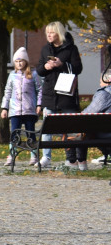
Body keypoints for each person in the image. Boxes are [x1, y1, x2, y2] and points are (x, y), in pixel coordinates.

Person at [36, 21, 85, 169]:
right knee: (47, 127)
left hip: (66, 95)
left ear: (59, 33)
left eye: (52, 32)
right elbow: (39, 69)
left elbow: (78, 68)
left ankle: (72, 159)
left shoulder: (71, 49)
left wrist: (61, 65)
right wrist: (45, 66)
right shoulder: (45, 49)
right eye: (47, 33)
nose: (49, 35)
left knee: (70, 128)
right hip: (49, 94)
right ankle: (46, 157)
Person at [0, 47, 42, 167]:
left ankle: (34, 155)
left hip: (29, 110)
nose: (19, 63)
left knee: (30, 133)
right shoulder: (12, 75)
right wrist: (5, 108)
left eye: (21, 61)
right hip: (15, 110)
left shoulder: (33, 74)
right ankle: (12, 155)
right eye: (17, 61)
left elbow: (39, 90)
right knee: (14, 133)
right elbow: (7, 92)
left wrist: (39, 105)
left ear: (26, 62)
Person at [82, 63, 111, 166]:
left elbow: (88, 113)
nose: (100, 84)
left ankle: (79, 162)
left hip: (105, 133)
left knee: (84, 131)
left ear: (108, 80)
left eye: (101, 81)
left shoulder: (104, 94)